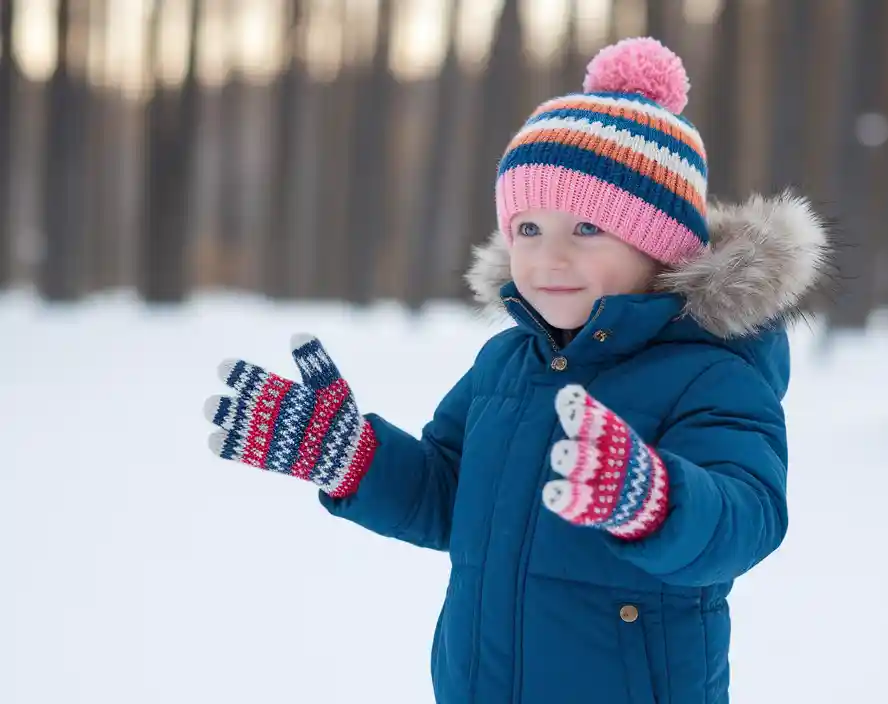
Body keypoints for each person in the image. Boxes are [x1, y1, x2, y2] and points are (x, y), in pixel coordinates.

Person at [204, 36, 828, 704]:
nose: (548, 258)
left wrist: (653, 499)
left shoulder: (710, 372)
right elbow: (449, 493)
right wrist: (357, 459)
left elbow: (746, 518)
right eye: (528, 228)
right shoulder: (507, 363)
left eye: (587, 228)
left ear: (661, 246)